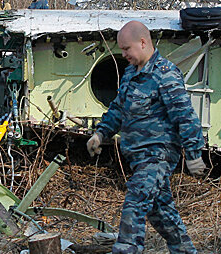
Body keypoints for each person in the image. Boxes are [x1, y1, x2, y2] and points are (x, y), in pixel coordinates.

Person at [86, 21, 207, 254]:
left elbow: (185, 115)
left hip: (158, 154)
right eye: (121, 50)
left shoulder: (165, 74)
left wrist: (193, 154)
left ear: (143, 43)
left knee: (136, 201)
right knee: (161, 212)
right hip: (138, 156)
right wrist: (101, 133)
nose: (124, 54)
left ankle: (125, 250)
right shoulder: (131, 73)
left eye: (126, 49)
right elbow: (119, 108)